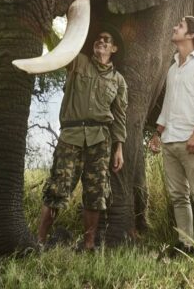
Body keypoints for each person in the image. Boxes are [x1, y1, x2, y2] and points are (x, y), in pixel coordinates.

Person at [37, 24, 127, 251]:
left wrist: (118, 148)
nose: (101, 41)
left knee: (96, 192)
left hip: (101, 140)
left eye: (107, 39)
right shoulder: (78, 62)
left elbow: (119, 117)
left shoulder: (118, 81)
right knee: (57, 188)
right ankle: (39, 241)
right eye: (98, 38)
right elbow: (58, 49)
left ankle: (88, 245)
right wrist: (45, 28)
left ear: (114, 48)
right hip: (71, 136)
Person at [148, 16, 194, 255]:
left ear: (191, 35)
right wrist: (158, 133)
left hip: (193, 141)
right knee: (178, 196)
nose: (174, 28)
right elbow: (167, 104)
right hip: (170, 140)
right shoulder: (172, 68)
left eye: (180, 26)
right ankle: (186, 244)